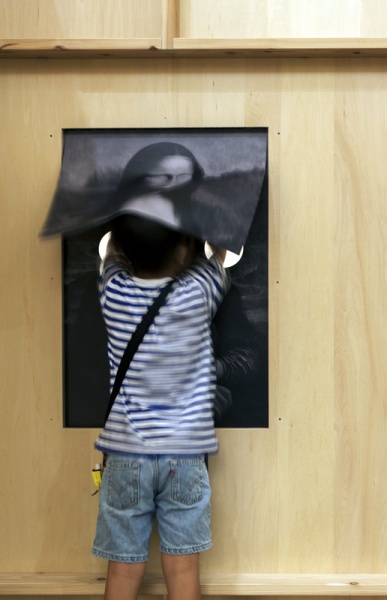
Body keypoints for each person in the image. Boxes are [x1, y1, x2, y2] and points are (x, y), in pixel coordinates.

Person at [91, 214, 230, 600]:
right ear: (183, 248)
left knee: (121, 571)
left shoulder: (112, 292)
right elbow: (217, 257)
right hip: (184, 457)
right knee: (183, 567)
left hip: (125, 455)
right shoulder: (198, 293)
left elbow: (111, 256)